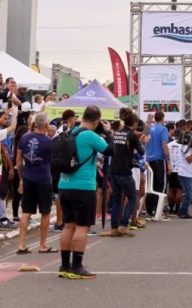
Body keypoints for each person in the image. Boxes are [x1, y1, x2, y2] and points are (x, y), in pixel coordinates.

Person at [58, 106, 114, 279]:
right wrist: (109, 132)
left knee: (68, 225)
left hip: (64, 184)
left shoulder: (70, 132)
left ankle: (65, 266)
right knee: (82, 227)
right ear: (97, 121)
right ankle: (77, 267)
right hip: (83, 187)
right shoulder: (90, 135)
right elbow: (111, 150)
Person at [16, 113, 55, 253]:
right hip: (43, 179)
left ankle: (21, 244)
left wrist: (21, 178)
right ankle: (42, 244)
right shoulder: (49, 142)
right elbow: (54, 163)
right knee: (45, 211)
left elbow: (19, 160)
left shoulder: (24, 138)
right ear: (45, 125)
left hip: (28, 177)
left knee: (26, 211)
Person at [109, 111, 143, 237]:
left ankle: (114, 227)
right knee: (133, 197)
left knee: (117, 199)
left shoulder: (117, 133)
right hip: (124, 170)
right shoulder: (132, 135)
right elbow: (141, 151)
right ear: (134, 123)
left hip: (113, 169)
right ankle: (123, 225)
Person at [145, 111, 169, 216]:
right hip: (159, 159)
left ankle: (150, 210)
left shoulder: (150, 129)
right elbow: (164, 144)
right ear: (162, 118)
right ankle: (157, 210)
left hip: (149, 160)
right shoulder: (163, 129)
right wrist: (168, 160)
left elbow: (145, 142)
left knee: (151, 186)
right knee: (160, 185)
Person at [177, 131, 192, 219]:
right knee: (189, 194)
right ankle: (182, 211)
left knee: (191, 194)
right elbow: (189, 160)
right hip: (185, 173)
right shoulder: (185, 147)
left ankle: (184, 211)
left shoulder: (191, 147)